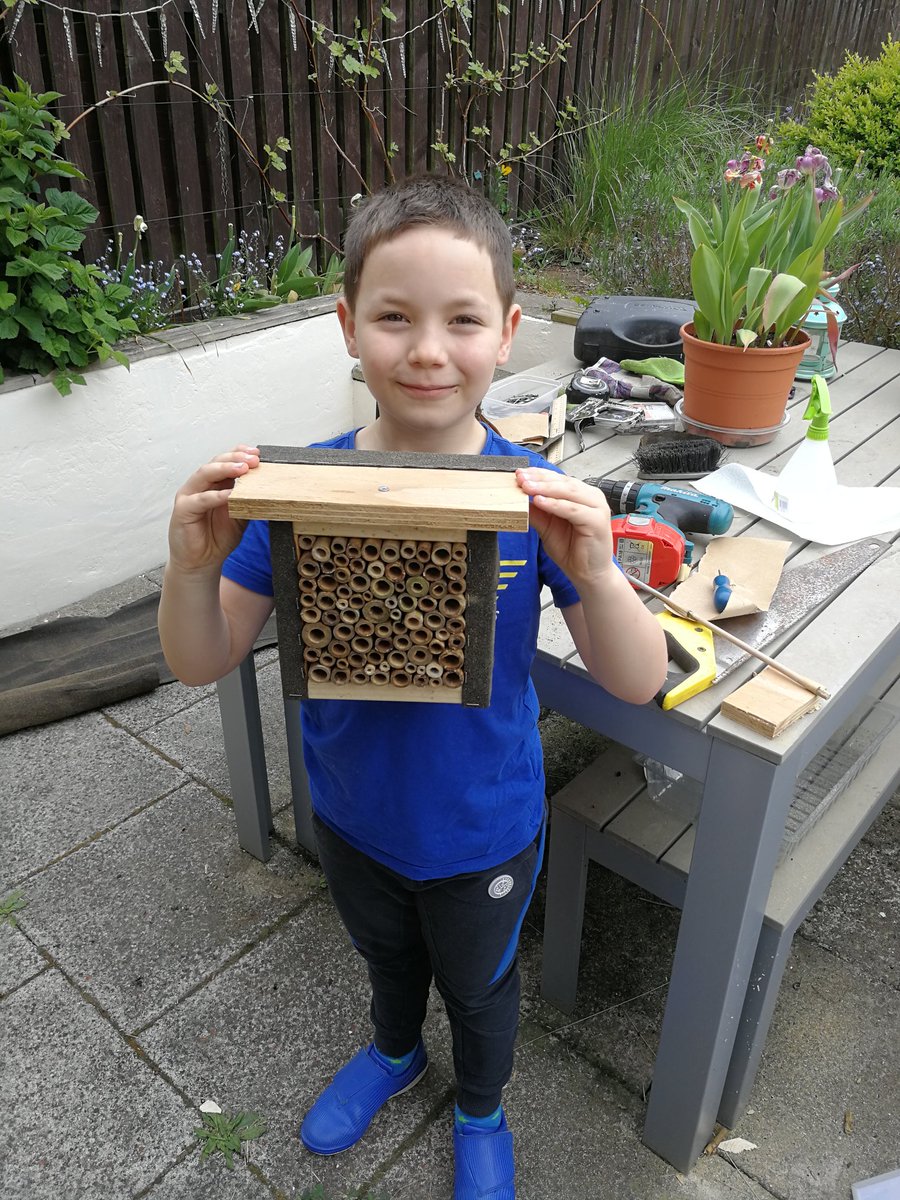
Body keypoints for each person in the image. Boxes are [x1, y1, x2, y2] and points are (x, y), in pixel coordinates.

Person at [158, 175, 668, 1199]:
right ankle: (395, 1052)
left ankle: (480, 1103)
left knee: (479, 992)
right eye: (395, 317)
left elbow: (637, 677)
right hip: (351, 816)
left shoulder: (531, 498)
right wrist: (190, 568)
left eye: (462, 320)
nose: (428, 349)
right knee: (387, 960)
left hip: (482, 827)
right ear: (349, 327)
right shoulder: (305, 494)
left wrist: (603, 572)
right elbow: (202, 658)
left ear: (510, 333)